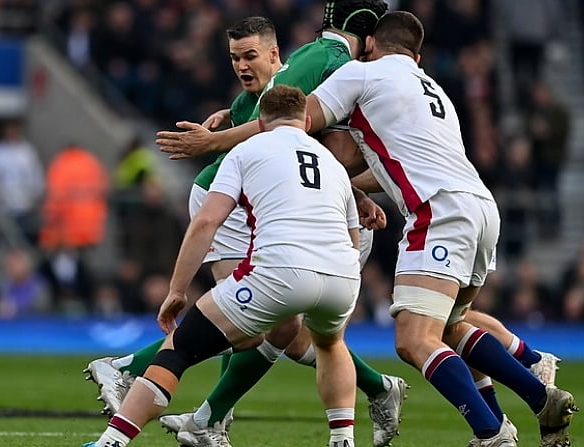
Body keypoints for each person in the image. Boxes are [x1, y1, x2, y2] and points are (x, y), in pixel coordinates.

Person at [85, 12, 406, 447]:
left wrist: (177, 289)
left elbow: (207, 219)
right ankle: (230, 419)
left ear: (277, 55)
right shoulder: (277, 114)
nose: (240, 66)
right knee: (284, 333)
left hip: (253, 223)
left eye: (250, 55)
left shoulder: (311, 65)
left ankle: (136, 388)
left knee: (260, 329)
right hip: (323, 258)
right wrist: (358, 202)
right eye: (234, 57)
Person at [302, 11, 579, 446]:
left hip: (439, 214)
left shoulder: (359, 73)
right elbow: (404, 162)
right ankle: (523, 407)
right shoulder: (434, 92)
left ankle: (503, 421)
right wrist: (351, 186)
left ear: (371, 43)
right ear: (418, 53)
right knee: (452, 326)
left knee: (413, 340)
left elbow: (294, 122)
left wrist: (220, 142)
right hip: (481, 209)